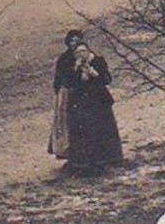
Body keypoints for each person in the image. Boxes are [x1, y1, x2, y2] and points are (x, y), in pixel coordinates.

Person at [65, 40, 124, 175]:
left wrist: (94, 74)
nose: (81, 54)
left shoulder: (98, 61)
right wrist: (76, 71)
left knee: (102, 130)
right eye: (78, 52)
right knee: (84, 133)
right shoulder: (74, 66)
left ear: (88, 50)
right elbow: (69, 83)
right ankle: (86, 162)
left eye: (83, 51)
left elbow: (107, 79)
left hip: (99, 102)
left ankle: (107, 159)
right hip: (82, 104)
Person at [49, 28, 83, 162]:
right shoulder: (64, 58)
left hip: (82, 92)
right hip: (67, 93)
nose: (74, 43)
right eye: (72, 41)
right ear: (68, 42)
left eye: (77, 40)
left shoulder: (84, 54)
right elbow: (60, 78)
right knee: (65, 123)